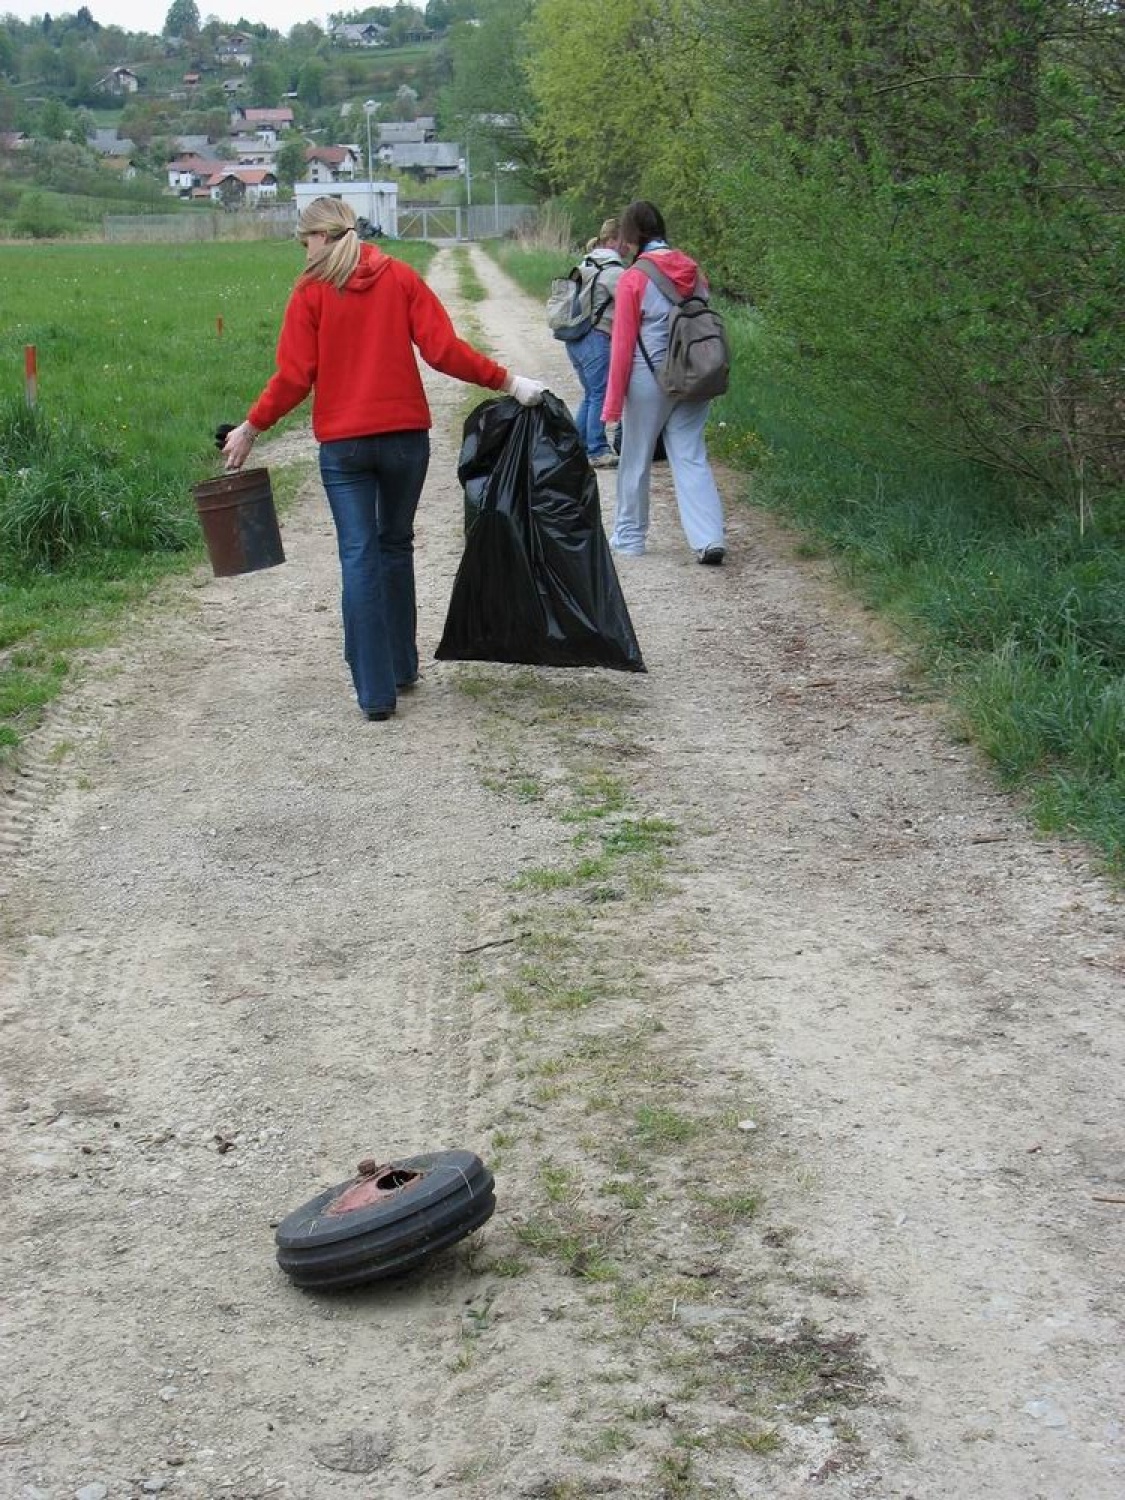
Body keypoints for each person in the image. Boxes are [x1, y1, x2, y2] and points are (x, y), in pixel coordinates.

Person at [222, 196, 546, 722]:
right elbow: (443, 350)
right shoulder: (399, 276)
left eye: (303, 241)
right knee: (394, 544)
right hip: (404, 444)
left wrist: (252, 427)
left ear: (321, 237)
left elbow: (293, 376)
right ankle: (401, 664)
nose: (302, 253)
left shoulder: (311, 292)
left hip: (345, 449)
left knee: (359, 555)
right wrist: (510, 381)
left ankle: (376, 693)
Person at [601, 200, 726, 564]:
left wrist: (611, 406)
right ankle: (709, 539)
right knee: (691, 456)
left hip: (649, 378)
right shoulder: (693, 270)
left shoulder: (634, 278)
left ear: (630, 234)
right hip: (694, 372)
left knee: (636, 459)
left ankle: (629, 537)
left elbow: (622, 345)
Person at [564, 217, 625, 469]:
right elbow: (633, 304)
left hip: (575, 338)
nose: (627, 246)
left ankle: (576, 446)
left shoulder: (586, 262)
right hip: (596, 338)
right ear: (612, 240)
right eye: (623, 241)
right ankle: (598, 449)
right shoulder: (613, 270)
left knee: (591, 393)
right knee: (599, 393)